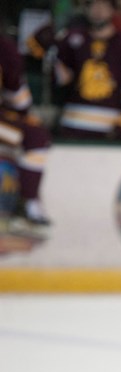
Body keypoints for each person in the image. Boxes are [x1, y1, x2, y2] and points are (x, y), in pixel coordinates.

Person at [54, 0, 121, 139]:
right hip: (72, 126)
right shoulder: (71, 40)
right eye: (93, 5)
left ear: (113, 10)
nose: (98, 10)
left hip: (110, 131)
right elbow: (59, 82)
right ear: (86, 9)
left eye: (104, 6)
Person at [0, 32, 52, 229]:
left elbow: (19, 98)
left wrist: (22, 115)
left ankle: (29, 202)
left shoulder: (4, 49)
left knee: (36, 136)